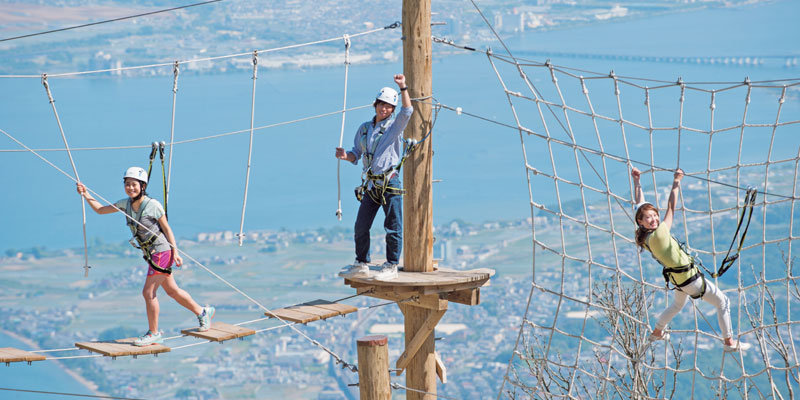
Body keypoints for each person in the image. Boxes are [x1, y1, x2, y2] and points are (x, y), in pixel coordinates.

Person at [76, 167, 214, 346]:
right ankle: (203, 312)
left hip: (162, 252)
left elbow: (166, 228)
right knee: (172, 291)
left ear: (143, 186)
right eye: (127, 184)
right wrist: (85, 194)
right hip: (152, 254)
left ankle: (154, 333)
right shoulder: (125, 204)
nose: (130, 188)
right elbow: (101, 210)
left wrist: (176, 252)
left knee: (148, 292)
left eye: (134, 184)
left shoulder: (152, 205)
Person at [632, 167, 747, 352]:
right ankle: (729, 343)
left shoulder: (644, 237)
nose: (654, 219)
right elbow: (670, 208)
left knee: (677, 305)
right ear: (641, 221)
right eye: (649, 218)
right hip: (690, 279)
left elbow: (640, 205)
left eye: (654, 215)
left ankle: (657, 332)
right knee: (723, 301)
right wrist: (676, 183)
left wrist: (637, 182)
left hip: (678, 280)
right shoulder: (659, 234)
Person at [335, 73, 413, 281]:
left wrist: (403, 87)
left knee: (393, 226)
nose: (384, 109)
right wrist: (345, 156)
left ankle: (392, 265)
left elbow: (407, 111)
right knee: (361, 226)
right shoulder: (364, 129)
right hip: (371, 184)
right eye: (381, 104)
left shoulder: (394, 127)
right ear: (375, 104)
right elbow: (356, 154)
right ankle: (361, 263)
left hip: (389, 182)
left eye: (388, 106)